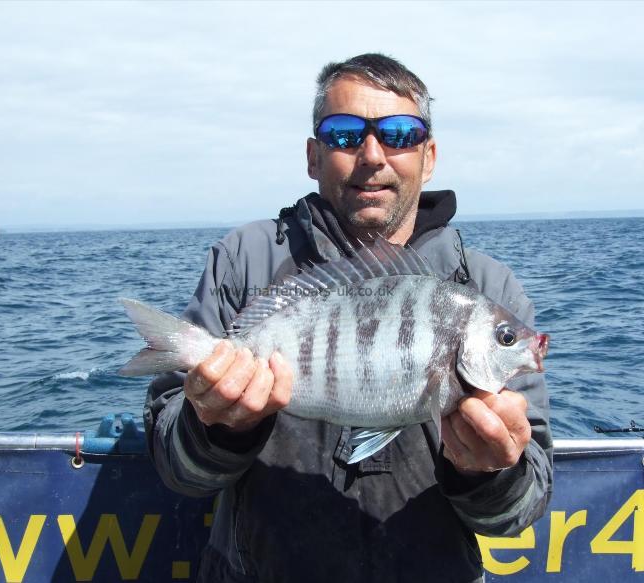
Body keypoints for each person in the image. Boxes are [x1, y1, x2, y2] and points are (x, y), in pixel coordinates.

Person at [144, 53, 553, 583]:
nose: (373, 155)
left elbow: (520, 511)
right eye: (344, 134)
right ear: (313, 156)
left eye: (401, 134)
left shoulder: (489, 288)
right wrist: (218, 429)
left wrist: (489, 473)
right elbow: (175, 468)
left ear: (429, 157)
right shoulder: (244, 262)